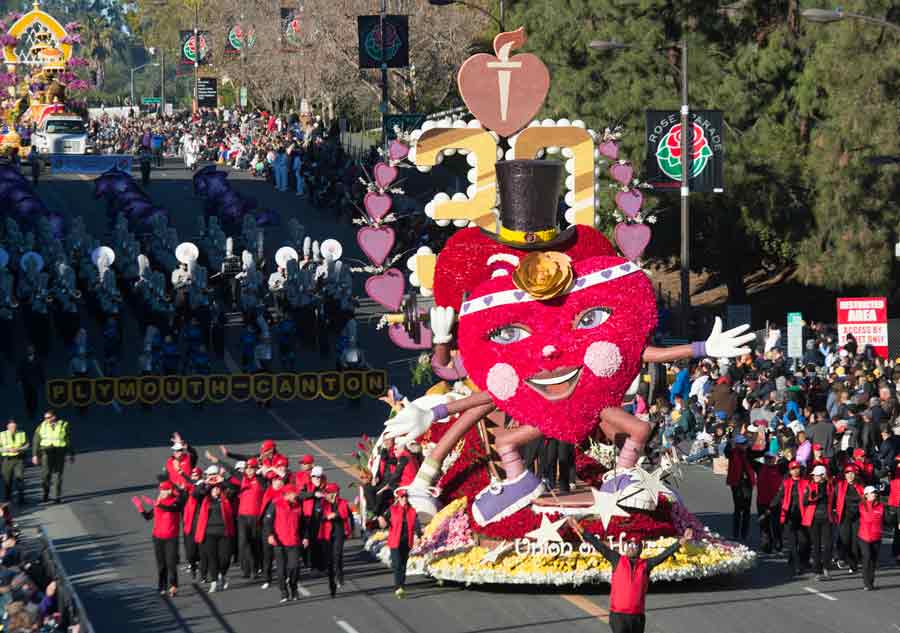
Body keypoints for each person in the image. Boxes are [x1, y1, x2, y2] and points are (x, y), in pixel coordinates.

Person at [570, 518, 693, 633]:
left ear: (640, 550)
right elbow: (599, 546)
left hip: (637, 617)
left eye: (634, 546)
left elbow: (664, 555)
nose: (631, 547)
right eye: (629, 545)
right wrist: (581, 529)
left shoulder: (646, 565)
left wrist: (682, 541)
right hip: (618, 616)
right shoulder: (617, 559)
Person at [136, 480, 186, 597]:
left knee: (171, 563)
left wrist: (158, 503)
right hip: (158, 537)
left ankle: (173, 585)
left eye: (164, 490)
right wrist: (140, 508)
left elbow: (172, 509)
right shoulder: (158, 502)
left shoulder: (175, 502)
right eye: (161, 490)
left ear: (169, 490)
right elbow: (148, 517)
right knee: (161, 564)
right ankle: (162, 585)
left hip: (171, 538)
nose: (162, 492)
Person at [192, 466, 237, 593]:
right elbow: (195, 493)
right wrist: (206, 482)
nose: (216, 489)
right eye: (214, 488)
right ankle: (213, 581)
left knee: (225, 558)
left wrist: (222, 479)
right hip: (208, 533)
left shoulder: (226, 498)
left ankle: (222, 574)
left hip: (224, 532)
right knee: (212, 558)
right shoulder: (205, 499)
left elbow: (234, 489)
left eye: (218, 487)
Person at [768, 460, 810, 575]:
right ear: (790, 471)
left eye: (797, 468)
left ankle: (799, 559)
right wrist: (770, 508)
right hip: (789, 516)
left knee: (803, 541)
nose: (795, 470)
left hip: (802, 516)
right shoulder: (786, 483)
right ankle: (797, 565)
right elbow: (778, 496)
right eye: (793, 469)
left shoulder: (806, 482)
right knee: (792, 542)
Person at [263, 483, 303, 603]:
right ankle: (284, 592)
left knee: (295, 567)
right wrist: (270, 535)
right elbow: (267, 521)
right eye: (294, 493)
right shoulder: (275, 504)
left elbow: (303, 523)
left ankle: (294, 587)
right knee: (281, 571)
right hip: (279, 543)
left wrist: (305, 537)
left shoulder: (298, 506)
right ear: (287, 494)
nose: (296, 495)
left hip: (294, 542)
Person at [378, 488, 418, 598]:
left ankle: (402, 585)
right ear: (398, 498)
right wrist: (382, 521)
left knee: (403, 565)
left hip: (407, 541)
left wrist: (420, 535)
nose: (404, 499)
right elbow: (383, 522)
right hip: (395, 541)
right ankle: (398, 587)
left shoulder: (412, 511)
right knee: (397, 564)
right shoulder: (392, 509)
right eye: (402, 497)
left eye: (406, 497)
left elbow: (416, 525)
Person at [31, 411, 73, 504]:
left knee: (58, 475)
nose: (47, 419)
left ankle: (57, 497)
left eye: (49, 417)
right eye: (45, 418)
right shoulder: (42, 426)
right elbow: (36, 441)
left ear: (54, 416)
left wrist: (71, 454)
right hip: (46, 452)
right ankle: (46, 494)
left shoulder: (63, 425)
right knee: (46, 474)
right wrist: (34, 455)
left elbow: (68, 439)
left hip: (59, 452)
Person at [318, 482, 352, 597]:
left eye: (329, 492)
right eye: (326, 492)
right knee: (329, 558)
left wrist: (335, 514)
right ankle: (332, 578)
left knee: (337, 555)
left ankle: (339, 576)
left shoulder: (342, 502)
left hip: (338, 531)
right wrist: (326, 516)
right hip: (326, 532)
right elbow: (319, 515)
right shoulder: (323, 503)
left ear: (335, 493)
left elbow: (345, 514)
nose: (327, 494)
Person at [802, 464, 834, 580]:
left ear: (823, 476)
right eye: (814, 475)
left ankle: (826, 567)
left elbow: (834, 500)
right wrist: (813, 498)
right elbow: (804, 502)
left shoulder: (830, 486)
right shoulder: (810, 486)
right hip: (814, 519)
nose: (814, 477)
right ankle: (817, 571)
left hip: (827, 518)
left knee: (828, 544)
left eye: (817, 475)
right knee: (816, 545)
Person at [236, 457, 265, 579]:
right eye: (247, 468)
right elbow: (230, 472)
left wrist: (259, 473)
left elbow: (265, 483)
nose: (249, 470)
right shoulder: (242, 479)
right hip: (242, 516)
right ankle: (246, 569)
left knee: (255, 544)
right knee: (243, 543)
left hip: (255, 517)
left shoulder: (260, 480)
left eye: (252, 468)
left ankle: (255, 569)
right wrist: (218, 461)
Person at [725, 434, 755, 541]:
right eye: (740, 444)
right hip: (736, 482)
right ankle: (735, 533)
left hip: (748, 483)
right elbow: (726, 451)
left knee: (746, 509)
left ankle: (744, 534)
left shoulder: (749, 452)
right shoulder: (732, 452)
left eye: (744, 443)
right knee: (737, 508)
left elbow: (760, 451)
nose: (743, 445)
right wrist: (729, 441)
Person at [833, 464, 864, 572]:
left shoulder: (861, 486)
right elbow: (832, 499)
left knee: (855, 541)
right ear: (844, 475)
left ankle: (853, 564)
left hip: (858, 517)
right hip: (844, 516)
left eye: (852, 473)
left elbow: (866, 501)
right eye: (847, 473)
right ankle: (841, 556)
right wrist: (832, 511)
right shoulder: (839, 485)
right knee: (845, 539)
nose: (850, 476)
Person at [755, 452, 783, 553]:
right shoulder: (759, 467)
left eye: (771, 458)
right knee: (764, 525)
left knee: (776, 525)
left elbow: (789, 462)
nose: (769, 460)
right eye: (766, 458)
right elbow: (750, 457)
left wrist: (782, 456)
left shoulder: (780, 468)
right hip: (762, 501)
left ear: (774, 459)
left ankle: (778, 543)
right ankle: (766, 545)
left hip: (775, 502)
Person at [858, 485, 884, 590]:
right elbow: (868, 518)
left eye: (875, 492)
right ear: (866, 495)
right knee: (867, 557)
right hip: (864, 537)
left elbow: (885, 520)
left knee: (873, 560)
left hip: (876, 537)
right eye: (872, 492)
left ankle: (871, 582)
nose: (874, 494)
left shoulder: (881, 506)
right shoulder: (861, 506)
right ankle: (866, 583)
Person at [0, 420, 28, 505]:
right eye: (11, 427)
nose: (13, 429)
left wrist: (19, 449)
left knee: (20, 478)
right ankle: (8, 498)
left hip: (19, 459)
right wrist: (7, 449)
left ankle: (21, 498)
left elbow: (27, 445)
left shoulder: (22, 433)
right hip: (7, 459)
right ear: (7, 427)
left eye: (15, 427)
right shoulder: (2, 434)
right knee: (7, 479)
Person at [15, 346, 44, 421]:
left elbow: (40, 370)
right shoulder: (23, 360)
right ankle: (30, 412)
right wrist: (18, 380)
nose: (30, 351)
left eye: (31, 350)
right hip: (26, 382)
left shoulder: (37, 359)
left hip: (34, 382)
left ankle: (33, 412)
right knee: (28, 398)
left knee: (34, 397)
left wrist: (42, 380)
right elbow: (20, 370)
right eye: (29, 350)